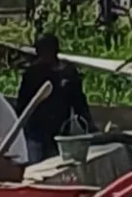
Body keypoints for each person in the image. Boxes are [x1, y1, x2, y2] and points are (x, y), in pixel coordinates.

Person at [15, 33, 94, 164]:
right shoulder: (32, 74)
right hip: (35, 132)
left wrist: (89, 125)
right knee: (35, 166)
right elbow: (22, 104)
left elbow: (79, 102)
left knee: (55, 163)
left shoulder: (67, 73)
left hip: (59, 131)